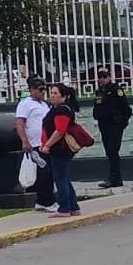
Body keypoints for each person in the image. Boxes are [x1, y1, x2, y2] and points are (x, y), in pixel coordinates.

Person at [38, 82, 83, 218]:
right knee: (63, 177)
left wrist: (48, 145)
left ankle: (64, 208)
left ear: (64, 97)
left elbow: (60, 130)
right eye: (51, 93)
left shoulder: (63, 110)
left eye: (55, 93)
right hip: (56, 149)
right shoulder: (56, 108)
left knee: (60, 178)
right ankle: (73, 206)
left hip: (59, 149)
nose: (52, 96)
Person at [14, 76, 55, 211]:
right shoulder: (25, 104)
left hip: (46, 143)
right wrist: (24, 141)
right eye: (40, 89)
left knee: (47, 173)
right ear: (32, 90)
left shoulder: (45, 104)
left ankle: (42, 201)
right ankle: (48, 201)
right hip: (35, 144)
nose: (44, 92)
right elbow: (20, 123)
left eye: (45, 89)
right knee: (44, 173)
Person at [91, 66, 133, 188]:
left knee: (113, 151)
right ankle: (115, 178)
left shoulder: (116, 90)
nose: (102, 79)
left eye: (104, 76)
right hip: (103, 126)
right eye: (100, 77)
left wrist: (121, 124)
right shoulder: (99, 91)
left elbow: (126, 109)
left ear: (109, 77)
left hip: (114, 126)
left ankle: (114, 179)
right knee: (109, 152)